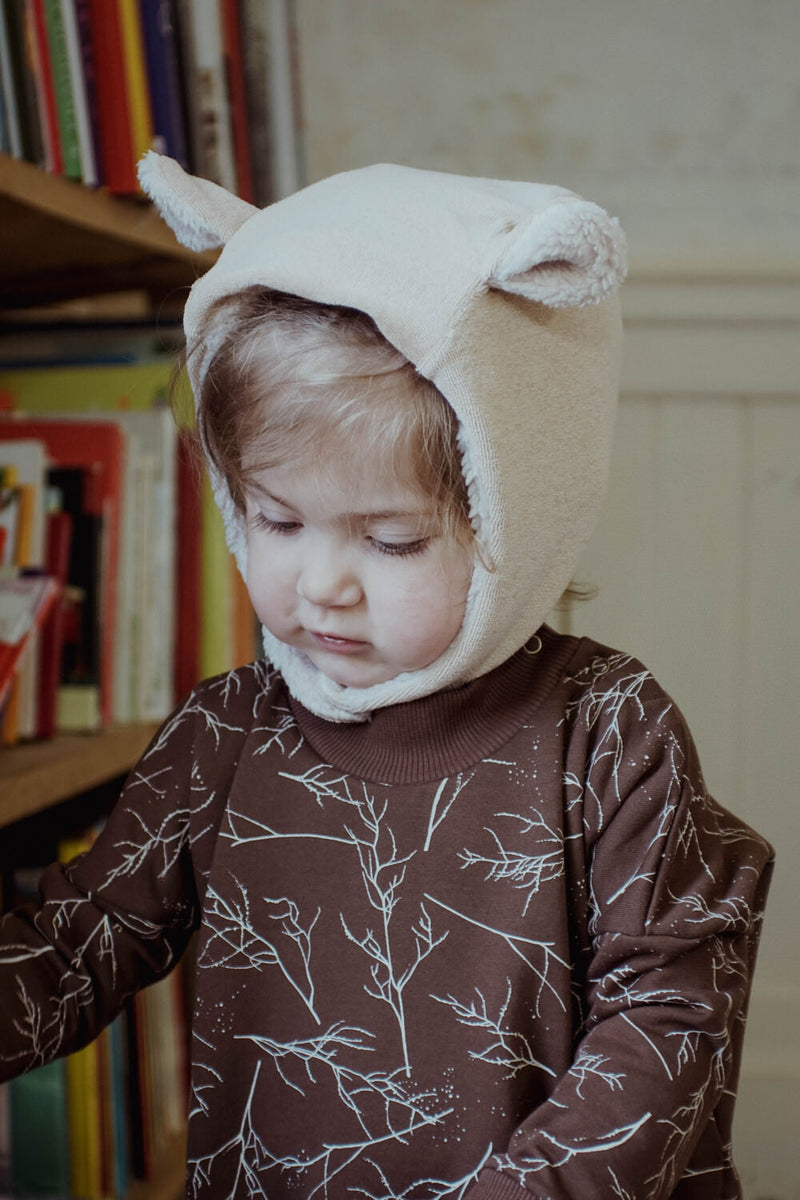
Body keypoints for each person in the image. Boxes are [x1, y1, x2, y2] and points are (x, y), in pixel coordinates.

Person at [0, 155, 773, 1200]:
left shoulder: (606, 732)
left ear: (516, 517)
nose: (321, 584)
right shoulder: (225, 735)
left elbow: (668, 1023)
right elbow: (77, 944)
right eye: (276, 519)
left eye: (393, 542)